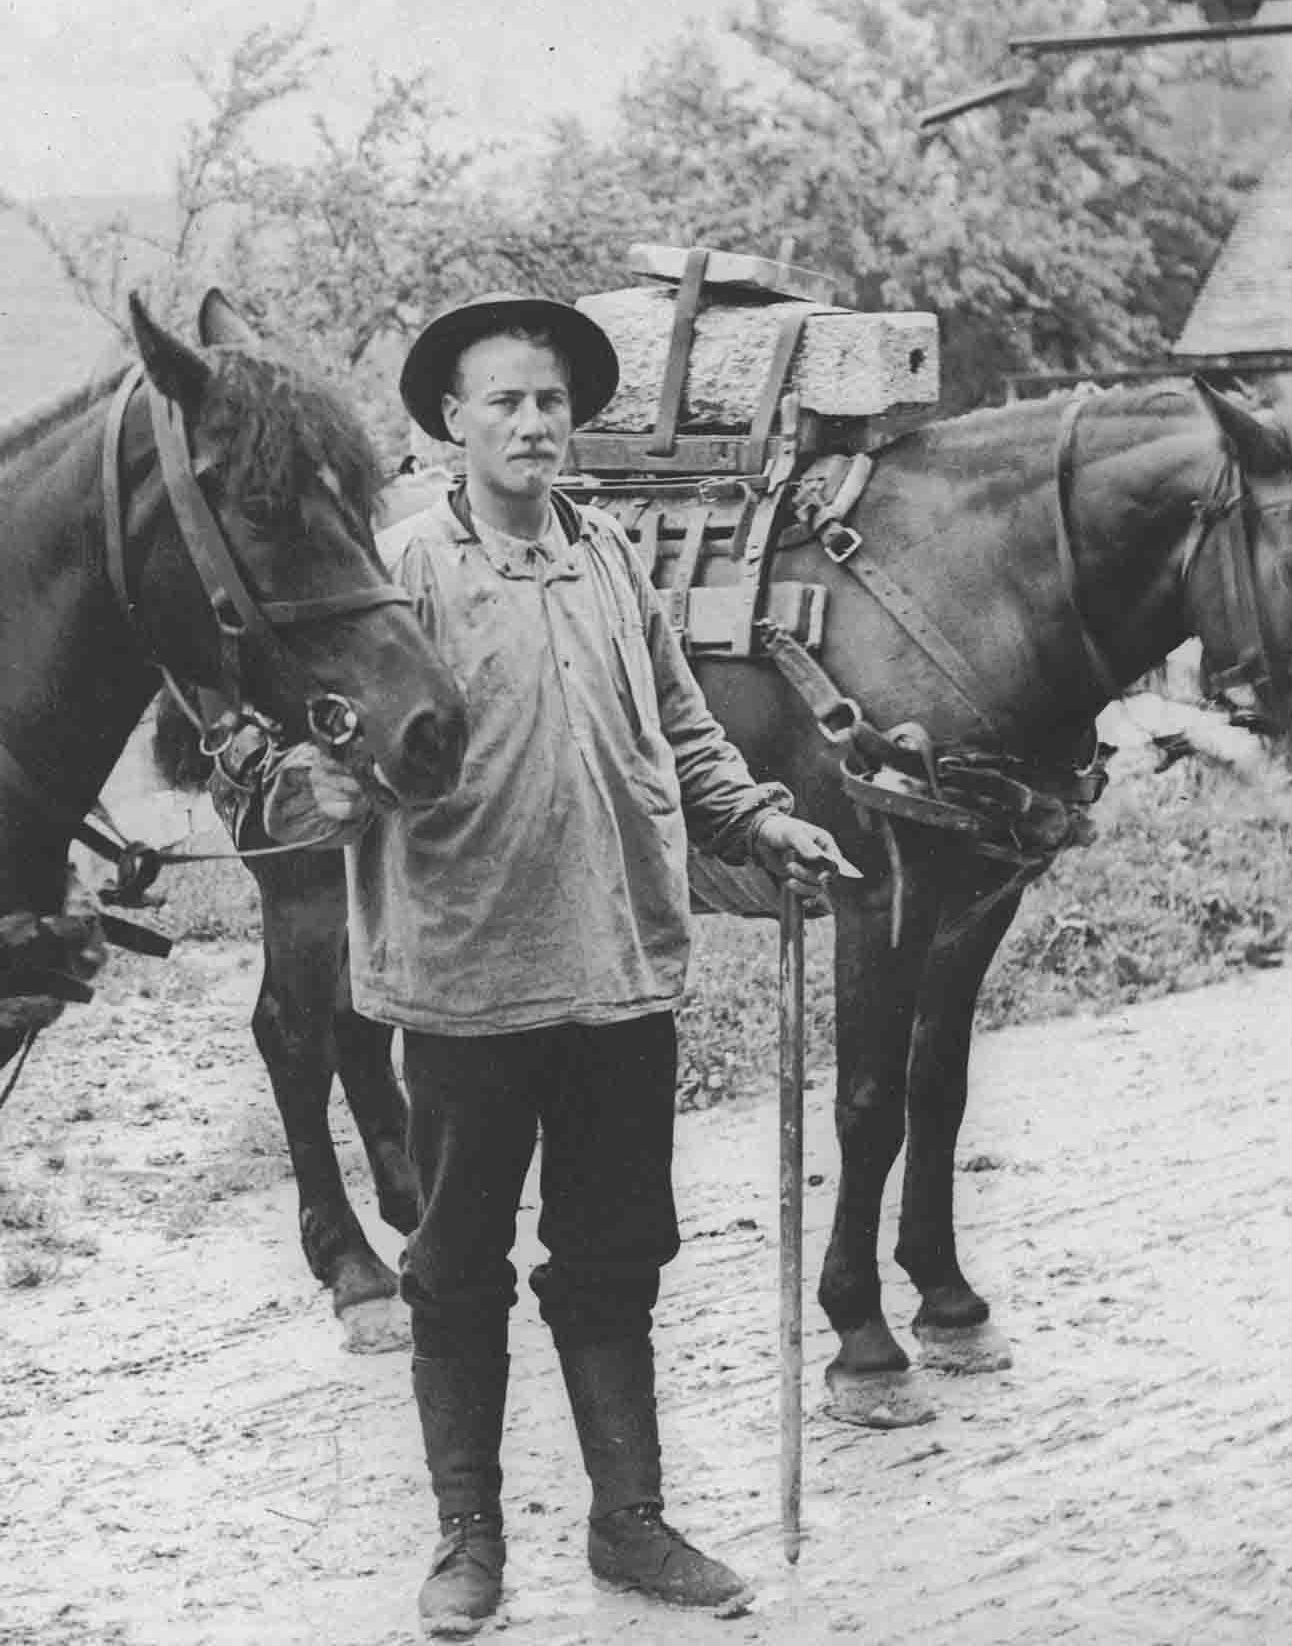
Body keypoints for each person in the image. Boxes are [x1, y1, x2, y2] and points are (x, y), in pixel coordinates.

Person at [246, 293, 857, 1635]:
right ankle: (468, 1542)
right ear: (453, 424)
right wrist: (323, 784)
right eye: (506, 401)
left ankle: (629, 1525)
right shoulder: (402, 572)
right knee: (453, 1262)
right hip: (466, 981)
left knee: (615, 1253)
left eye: (552, 401)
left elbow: (683, 733)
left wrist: (760, 818)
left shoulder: (612, 562)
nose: (534, 423)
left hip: (620, 967)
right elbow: (321, 751)